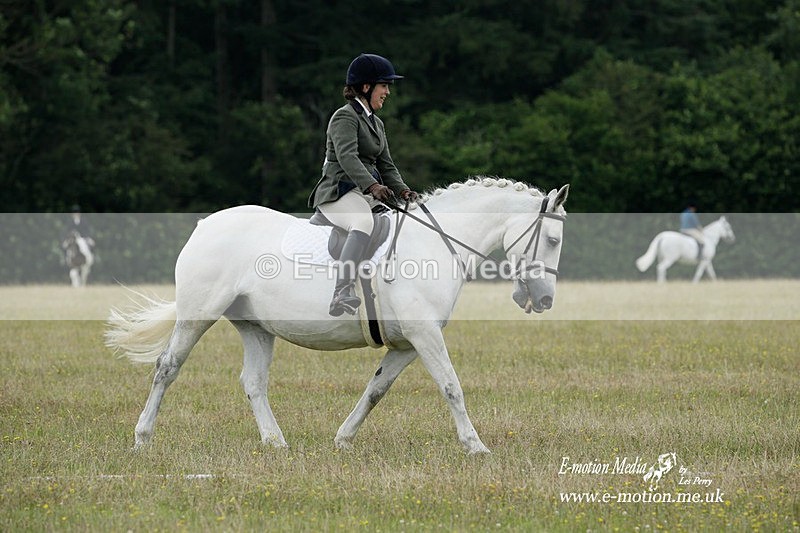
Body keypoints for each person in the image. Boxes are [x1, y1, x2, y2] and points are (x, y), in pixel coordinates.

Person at [308, 53, 419, 317]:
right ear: (366, 87)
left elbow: (386, 164)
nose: (388, 92)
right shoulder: (344, 117)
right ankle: (342, 291)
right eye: (384, 86)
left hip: (364, 192)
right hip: (339, 191)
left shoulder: (376, 123)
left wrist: (403, 190)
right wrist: (372, 186)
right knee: (363, 222)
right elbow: (347, 157)